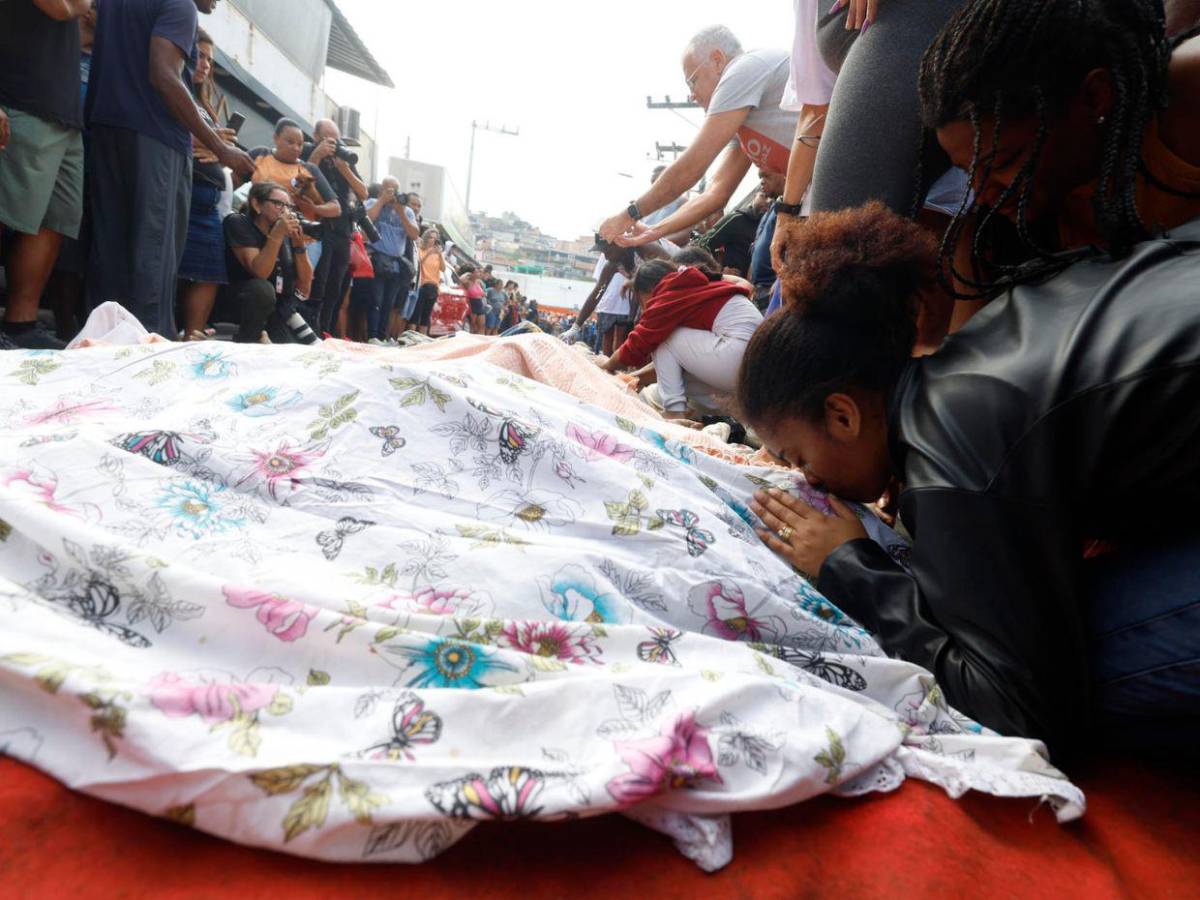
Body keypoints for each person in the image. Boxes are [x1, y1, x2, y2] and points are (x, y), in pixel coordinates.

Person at [737, 202, 1200, 758]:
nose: (806, 481)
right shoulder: (980, 349)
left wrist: (854, 567)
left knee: (1073, 669)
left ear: (843, 416)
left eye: (797, 457)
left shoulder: (951, 449)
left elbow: (1022, 709)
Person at [917, 0, 1200, 318]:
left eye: (1001, 163)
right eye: (967, 173)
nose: (982, 194)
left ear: (1095, 97)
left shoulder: (1187, 95)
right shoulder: (992, 240)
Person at [85, 0, 254, 337]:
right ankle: (149, 346)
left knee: (108, 254)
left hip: (104, 132)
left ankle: (99, 341)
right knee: (153, 256)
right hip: (156, 140)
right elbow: (163, 74)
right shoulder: (180, 5)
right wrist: (219, 146)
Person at [598, 26, 798, 246]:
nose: (691, 95)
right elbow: (715, 193)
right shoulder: (742, 117)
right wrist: (653, 231)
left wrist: (629, 214)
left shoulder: (743, 69)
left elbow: (691, 167)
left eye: (692, 81)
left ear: (717, 60)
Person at [0, 0, 90, 350]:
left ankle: (21, 324)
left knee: (55, 221)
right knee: (6, 213)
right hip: (19, 102)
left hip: (63, 114)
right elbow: (65, 7)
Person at [598, 259, 762, 421]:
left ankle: (674, 412)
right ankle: (723, 418)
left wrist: (605, 366)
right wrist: (633, 378)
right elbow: (666, 367)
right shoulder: (689, 286)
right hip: (753, 369)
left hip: (738, 358)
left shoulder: (669, 294)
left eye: (641, 302)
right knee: (678, 380)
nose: (643, 310)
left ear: (648, 290)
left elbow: (635, 346)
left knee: (663, 338)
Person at [176, 28, 230, 341]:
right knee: (172, 269)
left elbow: (213, 153)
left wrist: (217, 148)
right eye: (200, 54)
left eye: (210, 59)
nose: (205, 63)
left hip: (209, 202)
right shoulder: (173, 88)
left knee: (208, 273)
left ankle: (192, 339)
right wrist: (203, 141)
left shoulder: (205, 105)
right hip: (184, 188)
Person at [222, 181, 317, 344]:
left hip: (279, 310)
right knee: (262, 289)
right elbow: (260, 272)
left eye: (289, 206)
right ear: (256, 204)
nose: (285, 211)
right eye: (278, 204)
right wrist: (277, 234)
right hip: (239, 302)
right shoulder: (239, 222)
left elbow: (305, 288)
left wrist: (299, 245)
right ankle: (248, 341)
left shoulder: (284, 235)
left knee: (306, 353)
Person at [302, 118, 367, 337]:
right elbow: (301, 176)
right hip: (319, 226)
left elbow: (363, 193)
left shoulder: (345, 160)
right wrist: (318, 155)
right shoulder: (308, 151)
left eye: (337, 140)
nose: (334, 145)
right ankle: (309, 328)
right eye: (329, 139)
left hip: (343, 230)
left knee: (335, 285)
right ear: (316, 137)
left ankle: (326, 330)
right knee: (317, 281)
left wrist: (344, 168)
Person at [250, 119, 339, 233]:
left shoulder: (309, 169)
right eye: (290, 142)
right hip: (257, 228)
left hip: (297, 237)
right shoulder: (260, 154)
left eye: (300, 144)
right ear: (276, 138)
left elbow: (336, 208)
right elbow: (233, 182)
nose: (296, 148)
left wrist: (313, 208)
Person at [363, 178, 419, 342]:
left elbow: (414, 234)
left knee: (389, 303)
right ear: (382, 189)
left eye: (396, 190)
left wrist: (400, 211)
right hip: (376, 259)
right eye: (389, 190)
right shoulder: (374, 202)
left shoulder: (406, 211)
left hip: (396, 264)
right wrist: (382, 201)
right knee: (375, 300)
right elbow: (366, 220)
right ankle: (372, 335)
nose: (393, 194)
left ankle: (382, 336)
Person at [694, 192, 766, 276]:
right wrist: (719, 270)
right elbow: (703, 244)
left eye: (772, 199)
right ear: (755, 196)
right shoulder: (736, 219)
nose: (767, 201)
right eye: (763, 196)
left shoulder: (773, 225)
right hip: (732, 283)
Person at [748, 167, 787, 309]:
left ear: (784, 174)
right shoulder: (770, 209)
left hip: (774, 289)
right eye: (760, 178)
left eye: (766, 176)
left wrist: (780, 280)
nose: (762, 182)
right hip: (759, 291)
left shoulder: (790, 209)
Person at [414, 228, 444, 337]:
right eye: (431, 237)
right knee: (416, 314)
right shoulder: (421, 250)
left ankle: (421, 339)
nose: (433, 240)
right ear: (426, 238)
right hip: (422, 285)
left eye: (435, 238)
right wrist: (429, 253)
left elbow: (443, 269)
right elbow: (419, 263)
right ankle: (409, 337)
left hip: (433, 287)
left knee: (426, 316)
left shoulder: (437, 254)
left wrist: (440, 254)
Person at [461, 267, 486, 334]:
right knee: (472, 325)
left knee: (482, 325)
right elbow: (461, 279)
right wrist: (467, 274)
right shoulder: (468, 282)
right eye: (476, 272)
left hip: (480, 304)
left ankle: (480, 341)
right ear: (471, 274)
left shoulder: (478, 282)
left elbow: (483, 293)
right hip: (472, 304)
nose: (479, 274)